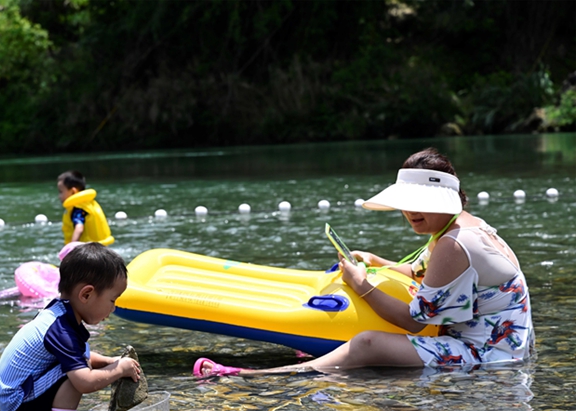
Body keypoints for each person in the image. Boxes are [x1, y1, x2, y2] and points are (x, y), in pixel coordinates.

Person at [194, 148, 534, 377]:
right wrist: (374, 261)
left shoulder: (452, 244)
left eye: (421, 202)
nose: (410, 211)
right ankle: (323, 358)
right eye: (406, 202)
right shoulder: (463, 228)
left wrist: (361, 284)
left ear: (446, 201)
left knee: (367, 343)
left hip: (489, 357)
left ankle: (260, 376)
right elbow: (418, 272)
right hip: (505, 349)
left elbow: (414, 321)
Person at [0, 242, 139, 411]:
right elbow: (85, 382)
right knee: (77, 371)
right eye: (112, 300)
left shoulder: (59, 314)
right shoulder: (61, 329)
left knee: (78, 363)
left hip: (16, 399)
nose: (113, 308)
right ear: (86, 295)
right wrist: (119, 370)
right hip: (18, 406)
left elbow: (79, 354)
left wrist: (109, 361)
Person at [57, 170, 114, 246]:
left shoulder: (78, 208)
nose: (59, 196)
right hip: (100, 247)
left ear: (73, 191)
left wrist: (71, 248)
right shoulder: (89, 204)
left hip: (89, 250)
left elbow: (79, 228)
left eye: (61, 192)